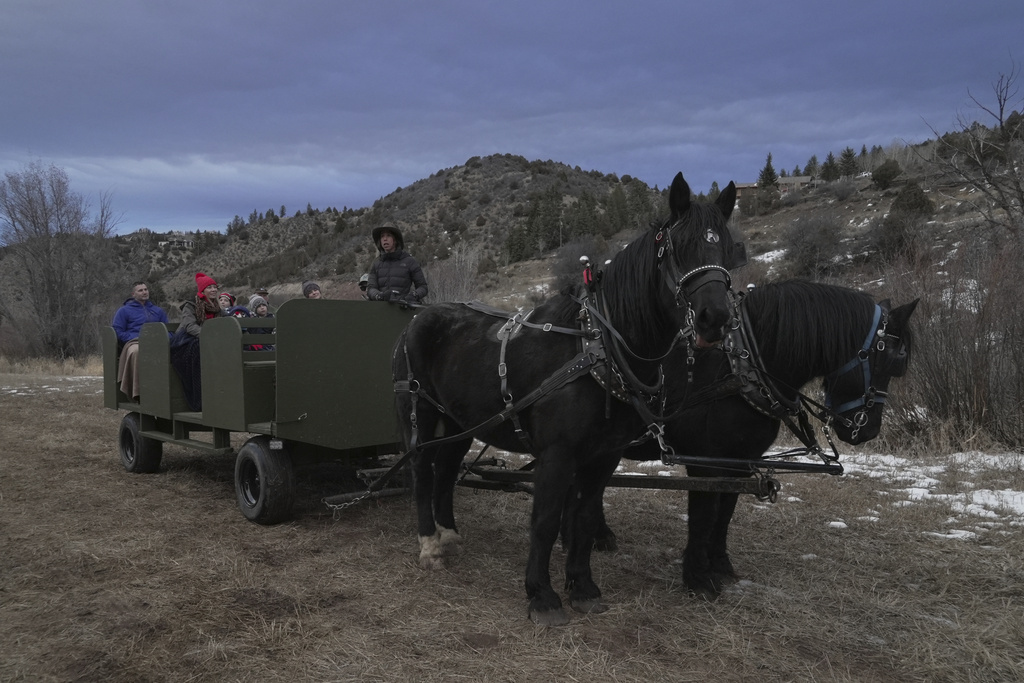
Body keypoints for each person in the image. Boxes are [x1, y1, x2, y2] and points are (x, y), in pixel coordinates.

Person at [170, 272, 225, 411]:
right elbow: (189, 326)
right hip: (185, 342)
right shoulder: (191, 305)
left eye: (214, 287)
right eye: (209, 287)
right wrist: (208, 336)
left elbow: (227, 322)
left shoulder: (217, 307)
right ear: (202, 290)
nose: (213, 290)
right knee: (197, 349)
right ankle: (198, 399)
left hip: (209, 341)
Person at [112, 281, 169, 400]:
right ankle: (137, 392)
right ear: (133, 294)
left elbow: (168, 329)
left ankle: (165, 391)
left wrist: (166, 339)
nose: (144, 292)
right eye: (140, 290)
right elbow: (118, 330)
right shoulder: (124, 311)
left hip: (156, 342)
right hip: (134, 342)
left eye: (146, 289)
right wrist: (133, 338)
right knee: (136, 352)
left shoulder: (158, 311)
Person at [366, 226, 428, 304]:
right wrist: (380, 296)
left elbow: (423, 287)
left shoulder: (409, 261)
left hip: (403, 310)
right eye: (382, 236)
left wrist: (413, 295)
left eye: (388, 235)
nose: (385, 239)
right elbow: (371, 288)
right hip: (380, 310)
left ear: (395, 240)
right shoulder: (376, 263)